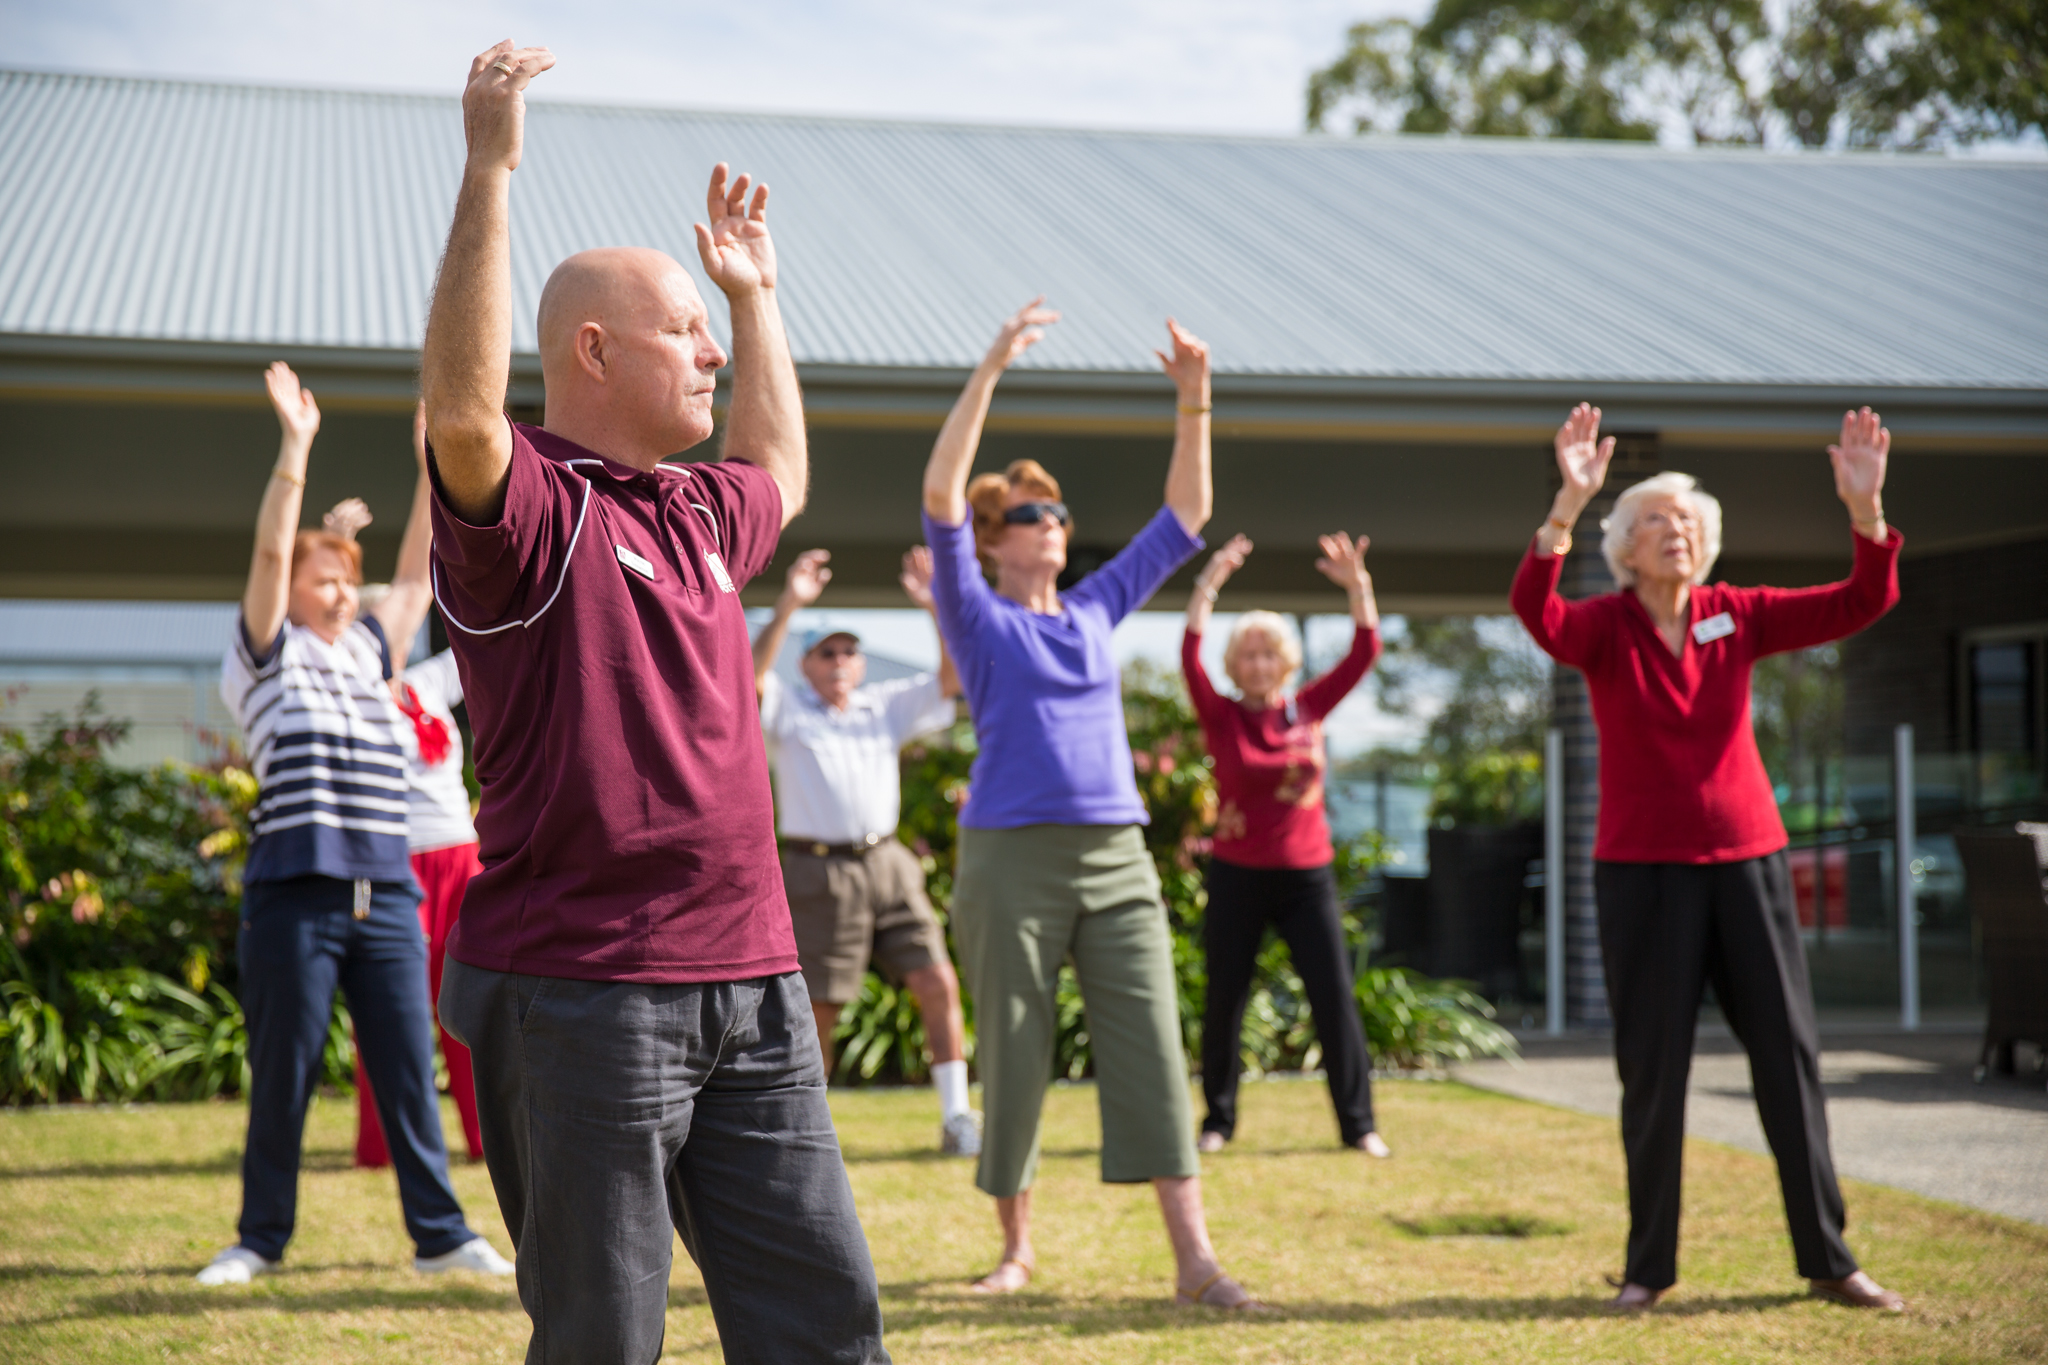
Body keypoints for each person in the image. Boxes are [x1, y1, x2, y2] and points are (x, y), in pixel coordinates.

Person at [420, 42, 887, 1364]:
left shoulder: (696, 512)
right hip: (587, 989)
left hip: (755, 977)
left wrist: (755, 298)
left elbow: (777, 464)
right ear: (592, 349)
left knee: (826, 1327)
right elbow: (461, 415)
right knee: (603, 1342)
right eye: (682, 329)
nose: (707, 354)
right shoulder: (529, 512)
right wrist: (491, 171)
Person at [1512, 402, 1907, 1314]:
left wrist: (1866, 512)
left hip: (1747, 863)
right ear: (1627, 548)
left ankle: (1829, 1257)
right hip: (1642, 872)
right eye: (1656, 520)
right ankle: (1648, 1267)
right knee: (1654, 1073)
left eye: (1688, 520)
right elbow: (1536, 611)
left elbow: (1862, 601)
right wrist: (1567, 504)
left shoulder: (1740, 614)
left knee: (1787, 1060)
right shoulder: (1604, 627)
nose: (1676, 531)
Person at [922, 297, 1258, 1309]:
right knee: (1014, 1050)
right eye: (1034, 515)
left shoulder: (1094, 608)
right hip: (1009, 859)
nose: (1055, 524)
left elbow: (1185, 517)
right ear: (997, 539)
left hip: (1117, 854)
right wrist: (990, 366)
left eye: (1061, 514)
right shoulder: (975, 614)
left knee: (1151, 1042)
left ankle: (1195, 1262)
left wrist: (1194, 400)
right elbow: (939, 493)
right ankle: (1015, 1252)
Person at [198, 363, 510, 1287]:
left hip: (389, 895)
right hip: (295, 896)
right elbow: (268, 557)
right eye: (323, 579)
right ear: (293, 589)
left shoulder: (375, 654)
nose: (340, 593)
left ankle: (441, 1235)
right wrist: (296, 447)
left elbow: (416, 573)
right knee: (286, 1072)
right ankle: (259, 1238)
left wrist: (430, 465)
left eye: (345, 580)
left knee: (411, 1068)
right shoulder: (263, 658)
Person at [750, 546, 981, 1154]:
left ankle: (958, 1116)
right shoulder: (788, 710)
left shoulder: (884, 705)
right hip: (818, 869)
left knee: (937, 979)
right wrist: (789, 604)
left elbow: (953, 679)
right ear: (806, 665)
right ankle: (806, 1135)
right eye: (827, 652)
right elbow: (752, 680)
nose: (840, 661)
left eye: (849, 652)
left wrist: (934, 606)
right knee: (819, 1008)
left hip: (889, 863)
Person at [1181, 531, 1390, 1158]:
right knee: (1225, 1001)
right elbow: (1189, 653)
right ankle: (1217, 1122)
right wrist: (1209, 583)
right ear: (1234, 665)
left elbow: (1365, 649)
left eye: (1268, 653)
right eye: (1247, 655)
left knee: (1334, 999)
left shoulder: (1309, 709)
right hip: (1236, 875)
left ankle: (1359, 1126)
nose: (1258, 664)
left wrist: (1358, 586)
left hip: (1306, 878)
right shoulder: (1221, 715)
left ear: (1286, 661)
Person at [320, 411, 489, 1171]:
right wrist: (336, 544)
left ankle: (485, 1139)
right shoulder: (341, 691)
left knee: (471, 1007)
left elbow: (428, 585)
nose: (380, 623)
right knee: (391, 1010)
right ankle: (381, 1143)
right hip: (390, 862)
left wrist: (432, 472)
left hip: (460, 858)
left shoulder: (425, 682)